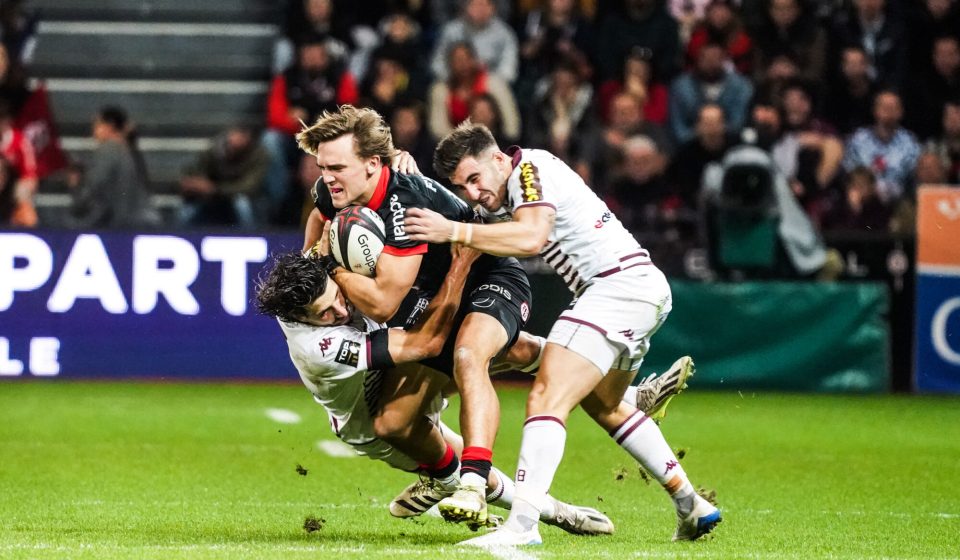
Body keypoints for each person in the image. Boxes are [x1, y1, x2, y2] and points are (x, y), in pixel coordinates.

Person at [403, 122, 720, 546]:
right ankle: (690, 504)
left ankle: (522, 526)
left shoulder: (529, 170)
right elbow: (464, 215)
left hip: (615, 288)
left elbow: (531, 238)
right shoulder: (503, 191)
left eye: (475, 179)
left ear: (498, 159)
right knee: (604, 405)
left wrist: (455, 231)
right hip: (639, 290)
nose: (473, 193)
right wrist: (404, 170)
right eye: (464, 186)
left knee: (546, 395)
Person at [255, 239, 689, 532]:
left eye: (336, 297)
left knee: (504, 348)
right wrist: (460, 267)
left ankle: (623, 396)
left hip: (398, 373)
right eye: (325, 313)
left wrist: (394, 162)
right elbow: (426, 342)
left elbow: (321, 214)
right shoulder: (320, 344)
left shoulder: (316, 277)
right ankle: (559, 513)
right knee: (447, 453)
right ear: (303, 320)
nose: (339, 310)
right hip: (368, 420)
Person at [296, 104, 535, 529]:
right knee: (392, 423)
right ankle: (444, 476)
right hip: (434, 294)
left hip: (483, 272)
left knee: (467, 356)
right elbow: (318, 214)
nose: (327, 176)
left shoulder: (403, 204)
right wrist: (308, 255)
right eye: (322, 166)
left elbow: (384, 304)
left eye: (337, 166)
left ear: (372, 165)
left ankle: (472, 481)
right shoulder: (334, 191)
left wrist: (330, 267)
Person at [66, 106, 159, 229]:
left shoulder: (109, 150)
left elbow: (94, 185)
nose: (94, 132)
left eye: (97, 125)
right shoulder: (130, 152)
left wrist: (76, 187)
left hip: (120, 224)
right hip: (140, 221)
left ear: (109, 126)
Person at [177, 125, 270, 228]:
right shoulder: (216, 150)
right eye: (233, 134)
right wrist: (194, 184)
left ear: (247, 138)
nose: (234, 140)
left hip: (244, 198)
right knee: (187, 209)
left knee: (242, 203)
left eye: (240, 136)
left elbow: (249, 187)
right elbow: (196, 170)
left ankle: (250, 235)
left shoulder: (259, 155)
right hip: (213, 198)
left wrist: (215, 189)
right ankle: (181, 233)